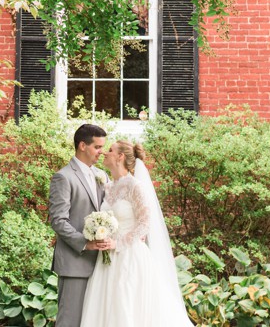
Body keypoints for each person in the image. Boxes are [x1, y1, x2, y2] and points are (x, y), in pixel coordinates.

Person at [79, 140, 195, 327]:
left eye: (110, 150)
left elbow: (145, 223)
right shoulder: (107, 187)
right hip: (106, 258)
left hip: (129, 257)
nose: (104, 153)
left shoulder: (135, 186)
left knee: (126, 306)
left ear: (120, 156)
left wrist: (118, 244)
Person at [48, 124, 112, 327]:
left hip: (102, 265)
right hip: (75, 263)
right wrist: (86, 243)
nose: (102, 152)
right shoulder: (63, 177)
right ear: (83, 145)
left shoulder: (102, 175)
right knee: (70, 321)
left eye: (103, 147)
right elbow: (58, 220)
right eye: (98, 147)